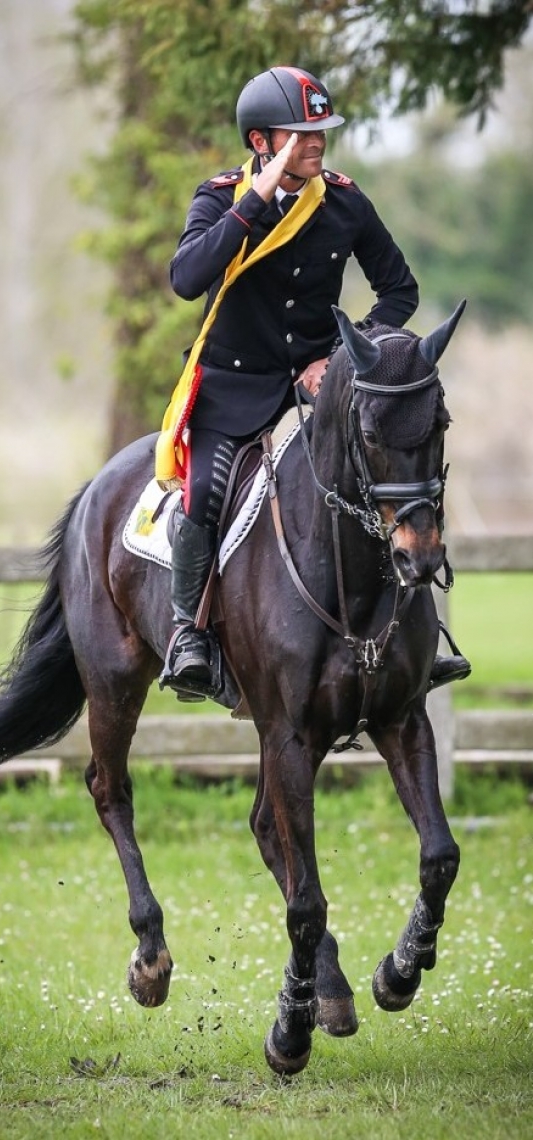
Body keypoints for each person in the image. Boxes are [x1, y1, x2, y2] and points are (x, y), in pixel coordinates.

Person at [156, 65, 470, 698]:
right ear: (261, 143)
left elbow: (399, 290)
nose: (316, 142)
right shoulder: (220, 197)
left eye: (320, 130)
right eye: (300, 133)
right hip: (233, 385)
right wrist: (256, 202)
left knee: (378, 480)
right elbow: (186, 279)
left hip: (316, 387)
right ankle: (188, 633)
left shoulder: (345, 200)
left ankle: (419, 633)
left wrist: (345, 358)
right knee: (204, 495)